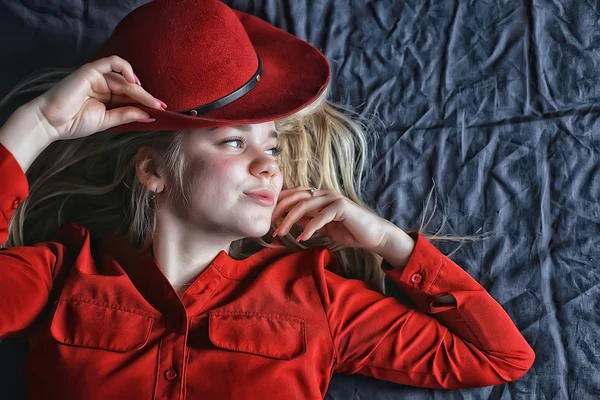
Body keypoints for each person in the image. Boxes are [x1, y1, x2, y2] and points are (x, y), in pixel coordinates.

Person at [0, 0, 535, 399]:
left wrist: (387, 242)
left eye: (273, 145)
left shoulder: (319, 298)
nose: (269, 165)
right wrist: (39, 123)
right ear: (154, 170)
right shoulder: (61, 274)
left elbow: (498, 357)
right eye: (235, 141)